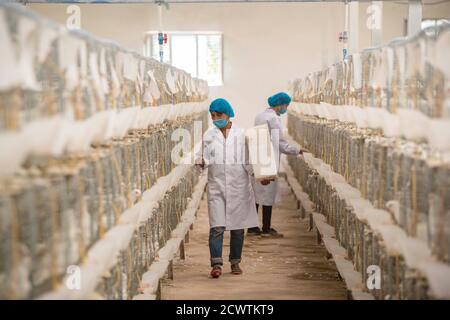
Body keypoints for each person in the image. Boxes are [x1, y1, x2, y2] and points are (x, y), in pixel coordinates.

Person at [196, 98, 270, 278]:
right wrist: (201, 161)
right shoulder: (209, 135)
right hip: (217, 188)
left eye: (218, 115)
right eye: (212, 116)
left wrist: (261, 175)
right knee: (217, 227)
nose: (215, 119)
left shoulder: (241, 135)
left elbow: (248, 161)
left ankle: (235, 262)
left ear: (228, 114)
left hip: (238, 187)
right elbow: (202, 157)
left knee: (238, 228)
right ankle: (216, 264)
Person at [248, 92, 307, 237]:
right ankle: (266, 229)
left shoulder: (260, 115)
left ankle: (252, 227)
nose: (285, 108)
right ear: (280, 104)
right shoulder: (273, 119)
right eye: (286, 105)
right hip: (268, 159)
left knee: (256, 194)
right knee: (268, 195)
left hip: (258, 156)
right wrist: (297, 150)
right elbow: (280, 143)